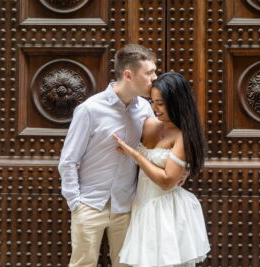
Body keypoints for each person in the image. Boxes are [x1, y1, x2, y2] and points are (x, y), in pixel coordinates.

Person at [58, 44, 157, 267]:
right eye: (149, 72)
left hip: (127, 205)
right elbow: (69, 161)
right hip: (90, 204)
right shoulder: (90, 109)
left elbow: (155, 150)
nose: (155, 77)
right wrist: (77, 203)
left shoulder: (145, 109)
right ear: (129, 74)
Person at [114, 72, 210, 267]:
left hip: (165, 211)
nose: (154, 108)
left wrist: (136, 156)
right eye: (152, 101)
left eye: (161, 103)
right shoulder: (148, 124)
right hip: (141, 205)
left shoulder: (183, 136)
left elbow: (167, 181)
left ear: (177, 103)